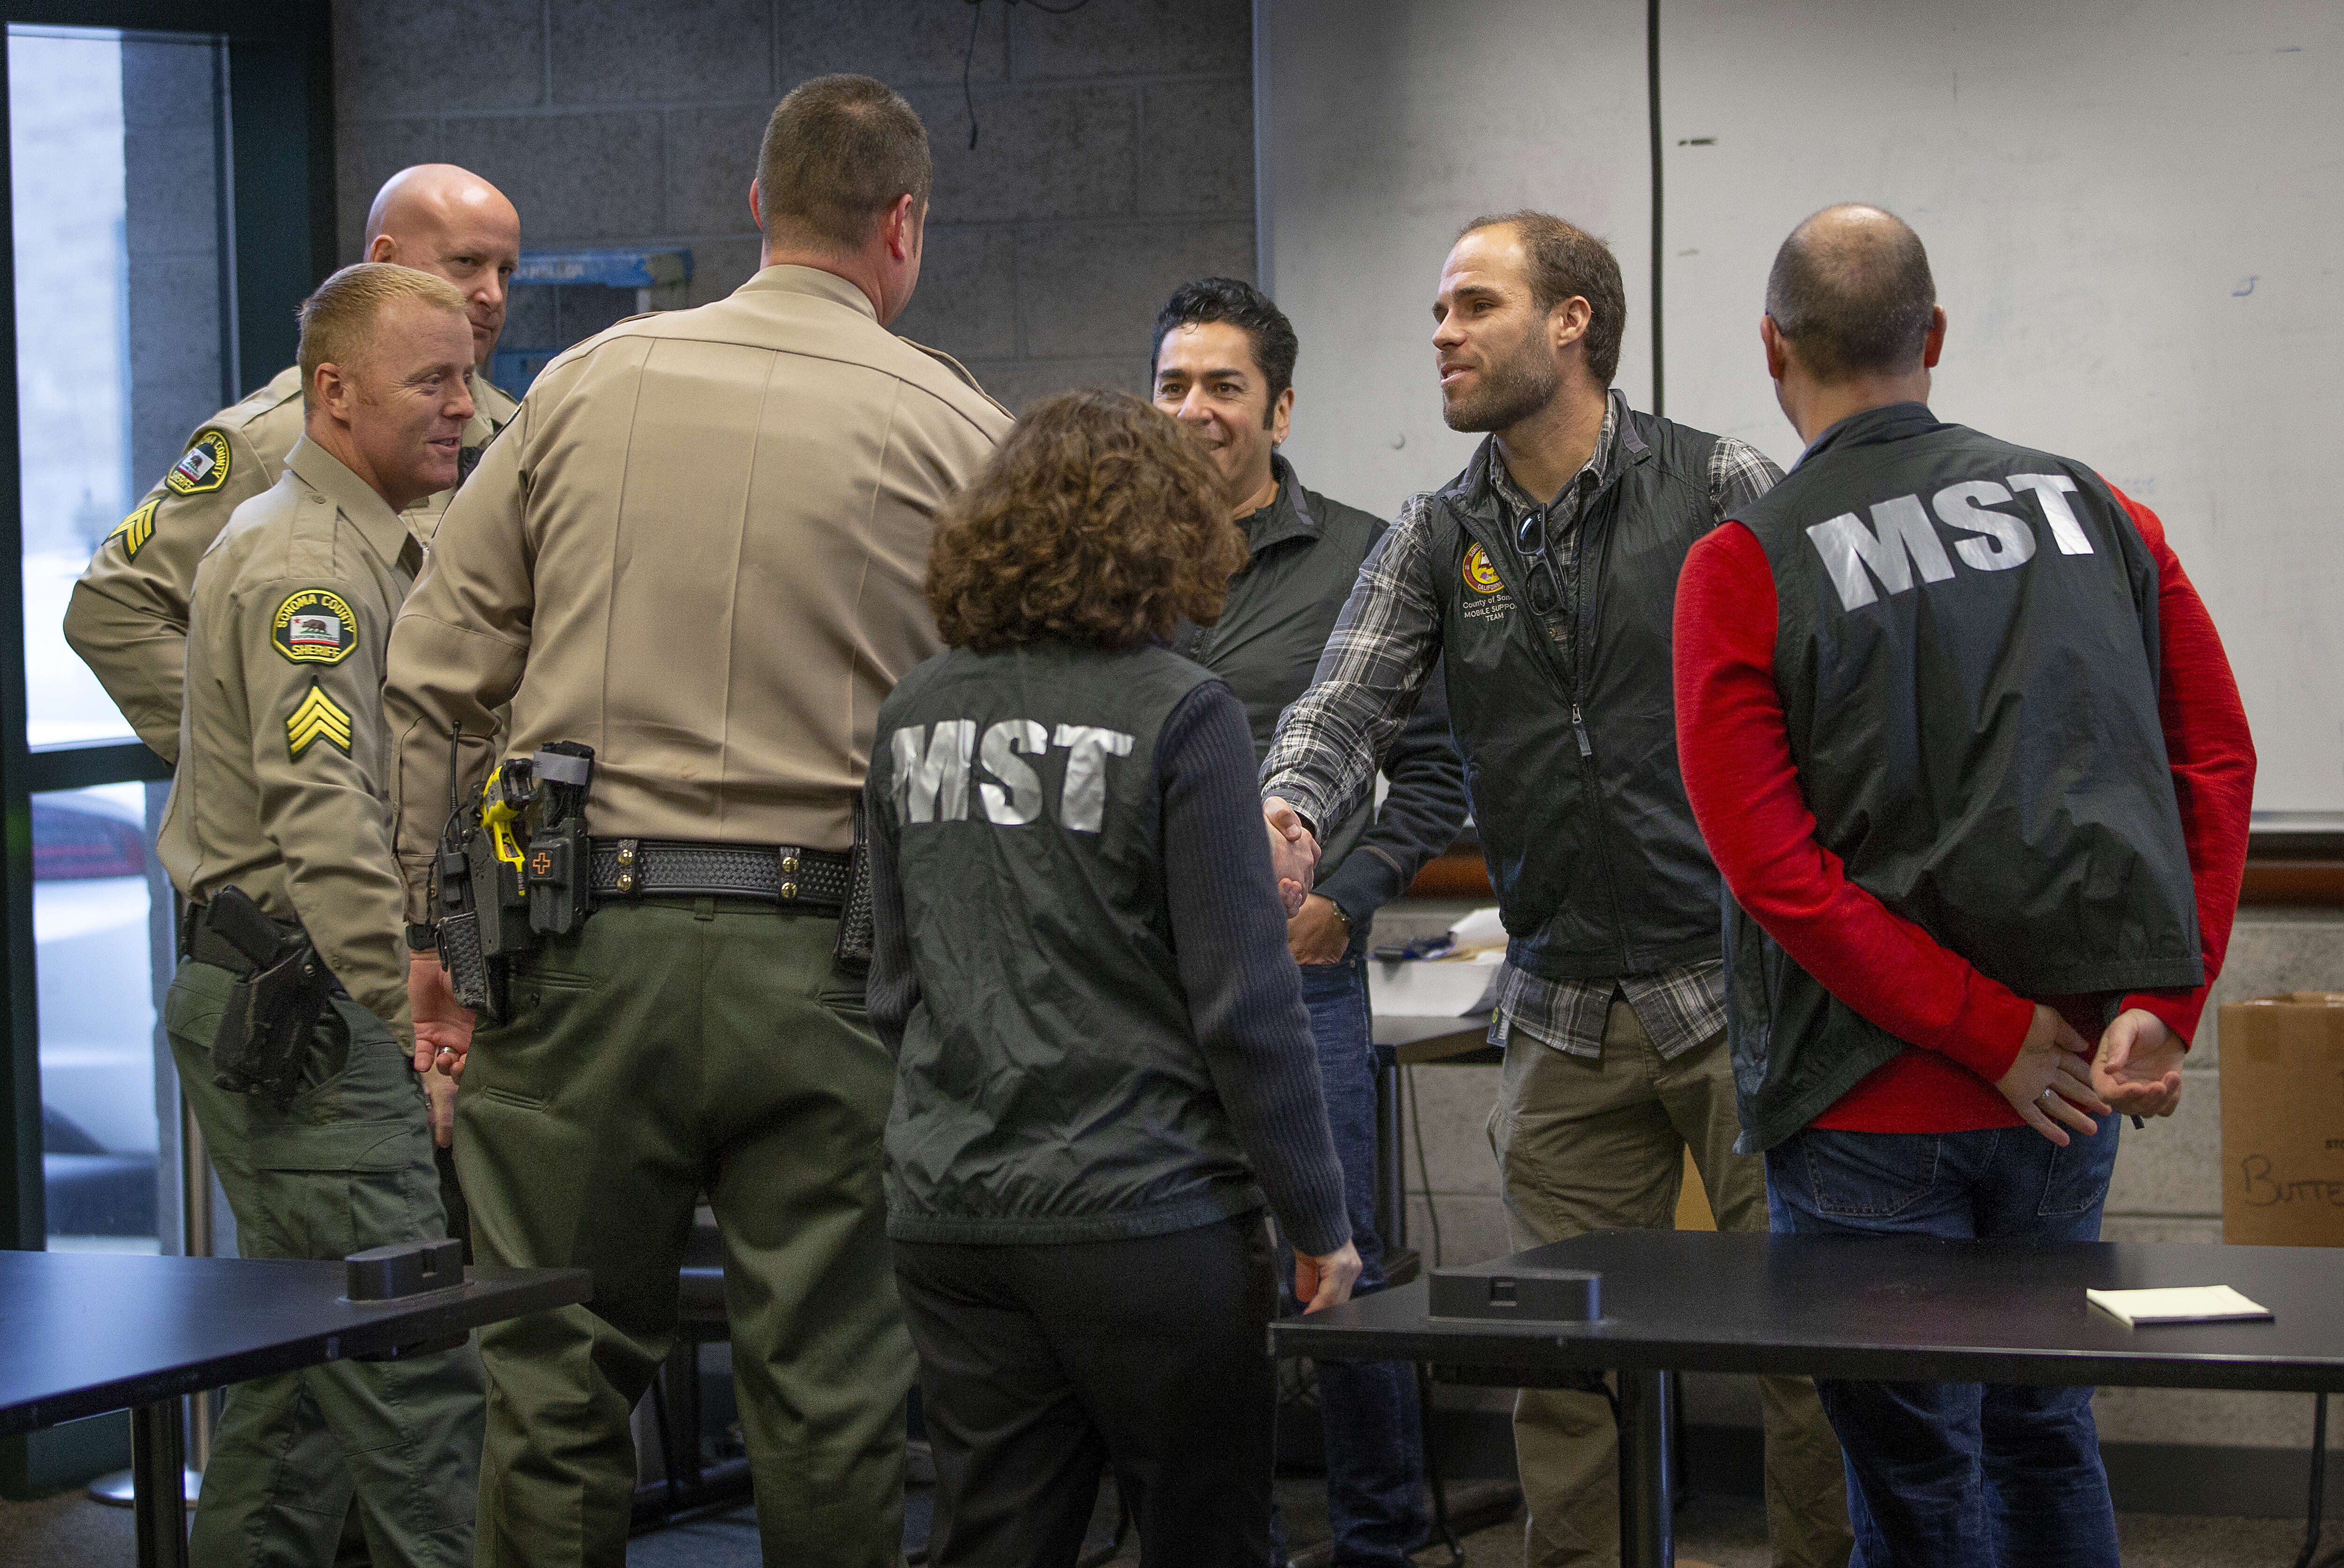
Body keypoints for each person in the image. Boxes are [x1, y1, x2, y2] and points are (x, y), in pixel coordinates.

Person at [382, 75, 1013, 1568]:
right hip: (843, 969)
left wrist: (430, 928)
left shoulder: (586, 387)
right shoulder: (960, 426)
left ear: (757, 206)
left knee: (552, 1380)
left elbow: (435, 671)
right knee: (833, 1393)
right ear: (902, 224)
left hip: (575, 946)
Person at [1258, 211, 1852, 1568]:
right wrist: (1291, 805)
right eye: (1439, 310)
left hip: (1747, 1004)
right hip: (1566, 1016)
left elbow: (1844, 688)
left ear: (1573, 320)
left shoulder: (1718, 482)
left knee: (1809, 1357)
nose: (1441, 333)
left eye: (1474, 305)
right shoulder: (1437, 530)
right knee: (1564, 1371)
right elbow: (1341, 705)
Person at [1672, 203, 2255, 1568]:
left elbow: (1774, 871)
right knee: (2043, 1423)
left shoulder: (1743, 563)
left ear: (1770, 348)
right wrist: (2165, 993)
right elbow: (2211, 755)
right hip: (2073, 1085)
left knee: (1914, 1473)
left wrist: (1983, 1034)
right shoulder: (2102, 511)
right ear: (1932, 336)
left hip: (1872, 1101)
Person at [869, 389, 1361, 1567]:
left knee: (994, 1538)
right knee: (1209, 1535)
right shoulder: (1180, 712)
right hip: (1146, 1215)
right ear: (1168, 530)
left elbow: (891, 984)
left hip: (955, 1213)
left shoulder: (912, 711)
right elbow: (1245, 1004)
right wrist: (1317, 1217)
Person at [155, 262, 486, 1568]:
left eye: (466, 376)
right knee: (410, 1385)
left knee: (297, 1399)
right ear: (335, 393)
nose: (463, 406)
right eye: (433, 381)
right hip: (313, 1010)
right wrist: (406, 1002)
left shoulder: (366, 544)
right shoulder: (309, 572)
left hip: (288, 996)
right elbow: (325, 817)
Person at [1150, 277, 1468, 1565]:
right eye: (1172, 385)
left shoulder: (1362, 557)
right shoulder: (1113, 569)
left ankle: (1379, 1534)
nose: (1195, 410)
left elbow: (1444, 773)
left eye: (1224, 386)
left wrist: (1349, 897)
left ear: (1280, 408)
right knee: (1172, 1259)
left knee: (1344, 1256)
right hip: (1142, 987)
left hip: (1299, 976)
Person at [66, 162, 522, 765]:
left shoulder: (511, 431)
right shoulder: (277, 433)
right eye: (466, 263)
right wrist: (251, 762)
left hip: (458, 826)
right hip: (325, 826)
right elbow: (116, 608)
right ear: (383, 262)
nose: (491, 293)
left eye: (505, 271)